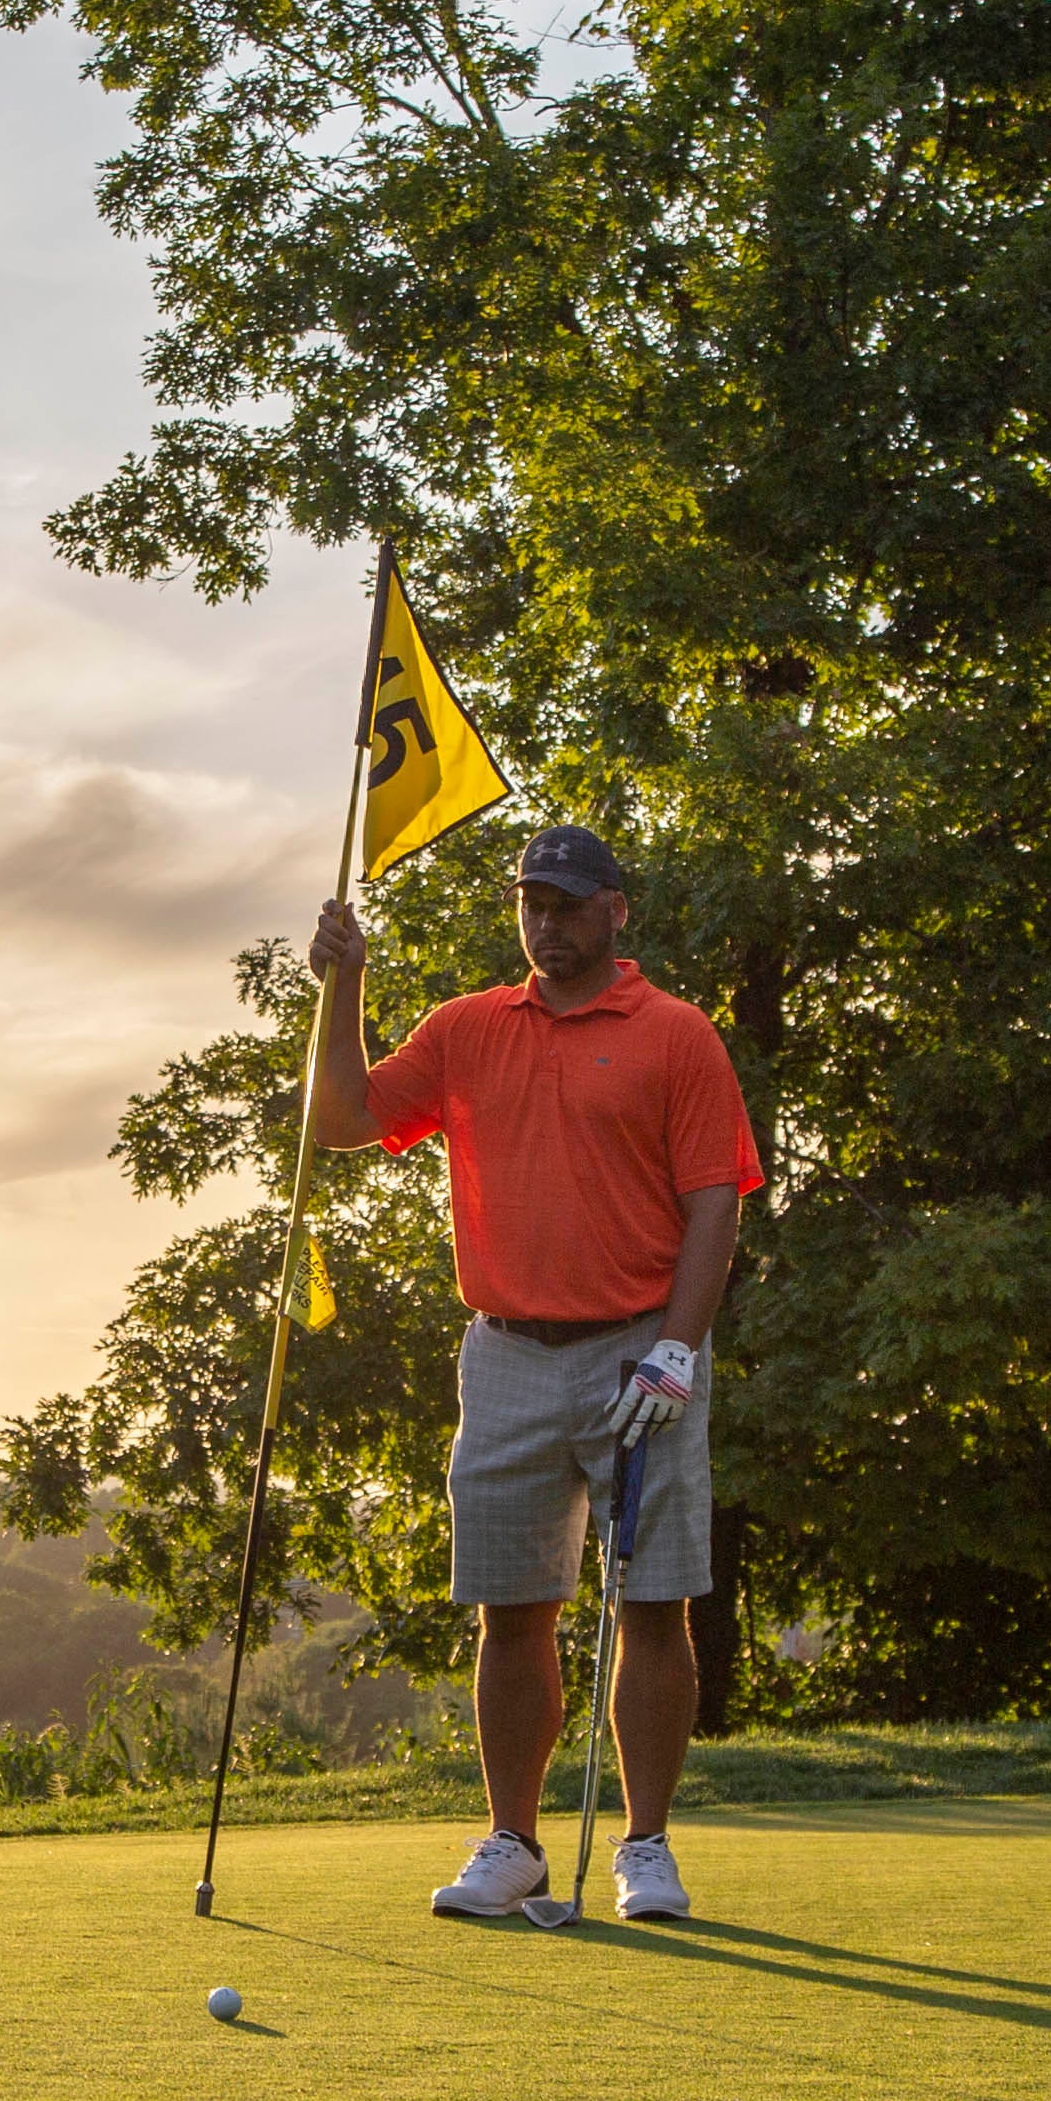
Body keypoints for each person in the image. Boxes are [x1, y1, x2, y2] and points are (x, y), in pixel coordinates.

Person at [308, 824, 761, 1926]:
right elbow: (340, 1122)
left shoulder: (675, 1036)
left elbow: (717, 1201)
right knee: (511, 1611)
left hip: (638, 1349)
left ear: (616, 911)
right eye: (531, 905)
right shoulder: (468, 1029)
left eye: (566, 904)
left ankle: (644, 1849)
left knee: (655, 1606)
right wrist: (344, 984)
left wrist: (677, 1350)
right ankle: (513, 1843)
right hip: (505, 1350)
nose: (546, 923)